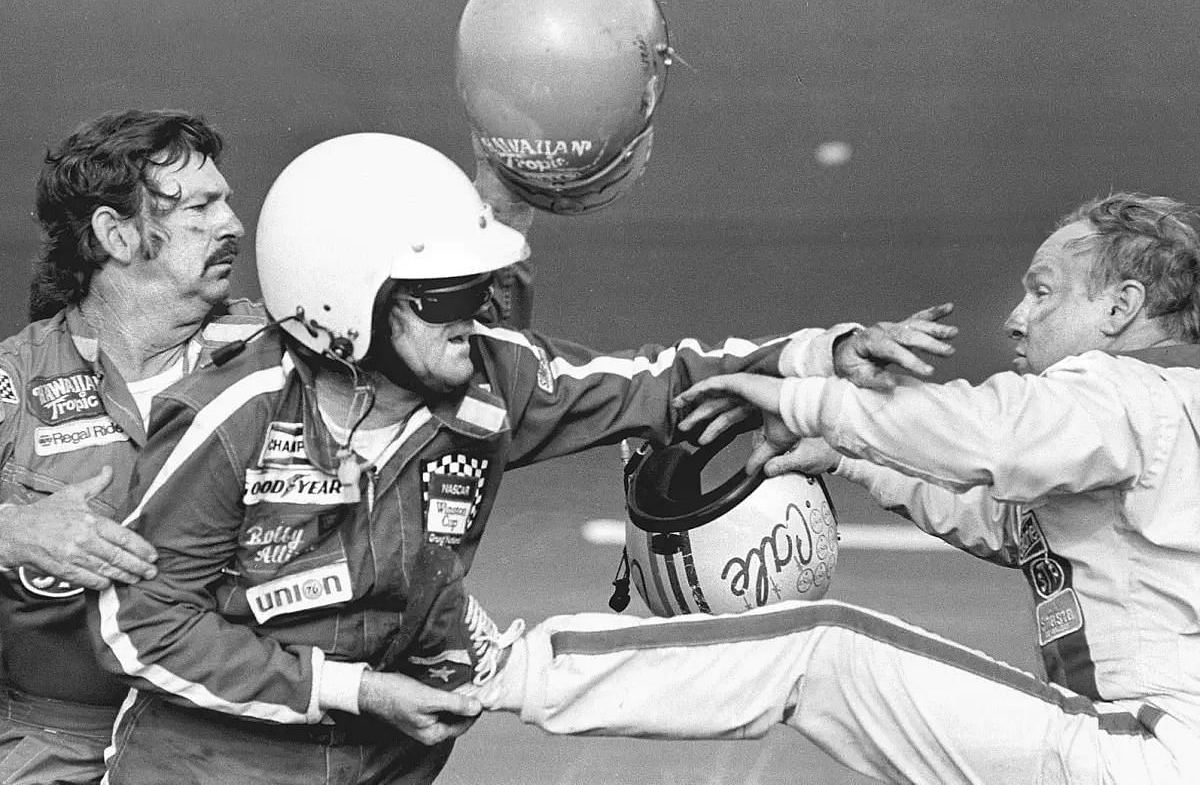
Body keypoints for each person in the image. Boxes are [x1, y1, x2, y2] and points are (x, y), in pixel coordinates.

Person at [87, 131, 951, 785]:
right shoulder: (231, 418)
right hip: (210, 767)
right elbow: (143, 627)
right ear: (342, 304)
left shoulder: (494, 381)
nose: (476, 314)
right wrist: (352, 690)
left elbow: (654, 382)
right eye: (448, 295)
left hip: (385, 760)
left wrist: (817, 354)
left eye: (482, 287)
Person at [433, 192, 1198, 785]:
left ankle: (500, 668)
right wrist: (843, 454)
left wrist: (809, 399)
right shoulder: (1162, 418)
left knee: (817, 650)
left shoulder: (1129, 396)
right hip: (1128, 744)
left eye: (1043, 293)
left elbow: (992, 438)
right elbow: (1007, 523)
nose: (1016, 319)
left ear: (1122, 307)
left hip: (1143, 755)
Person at [0, 109, 262, 783]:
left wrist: (503, 212)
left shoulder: (276, 358)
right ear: (116, 234)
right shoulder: (15, 381)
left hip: (234, 739)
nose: (234, 225)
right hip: (54, 741)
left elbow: (449, 369)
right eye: (202, 207)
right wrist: (12, 530)